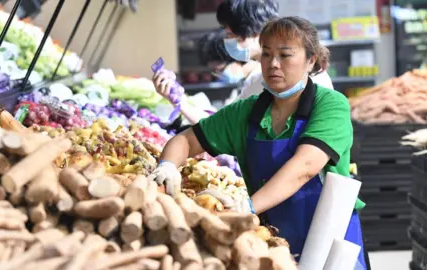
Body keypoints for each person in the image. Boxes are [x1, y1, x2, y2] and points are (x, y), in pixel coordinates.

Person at [149, 17, 368, 269]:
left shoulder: (330, 105)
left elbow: (305, 166)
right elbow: (184, 141)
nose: (273, 64)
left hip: (330, 241)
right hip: (273, 240)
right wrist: (166, 166)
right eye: (266, 54)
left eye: (285, 55)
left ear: (311, 60)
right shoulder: (246, 112)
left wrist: (248, 205)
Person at [153, 0, 334, 125]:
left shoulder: (307, 79)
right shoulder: (257, 79)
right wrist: (178, 99)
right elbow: (224, 126)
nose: (227, 41)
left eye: (231, 35)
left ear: (257, 30)